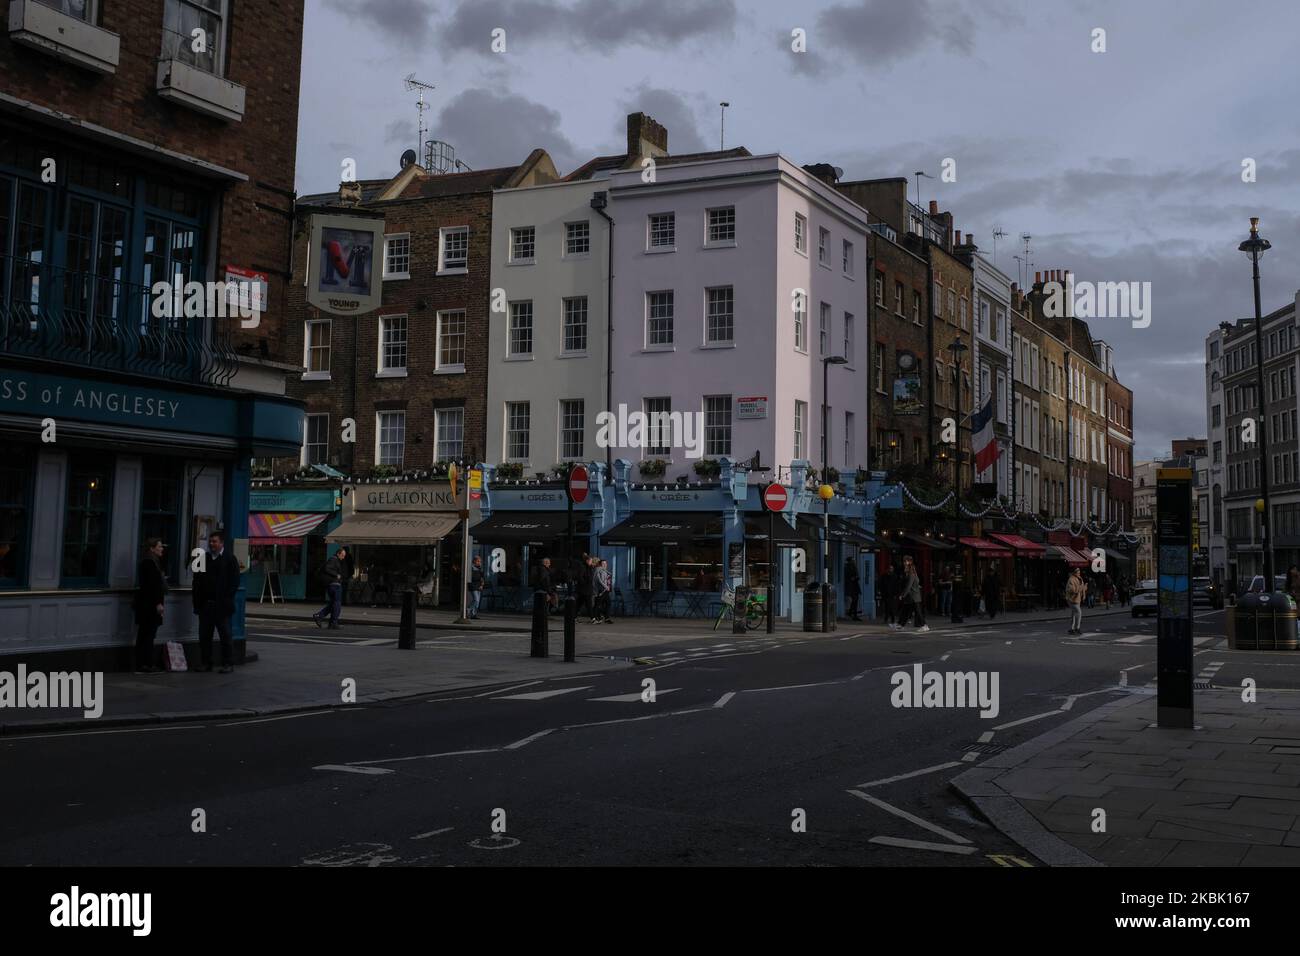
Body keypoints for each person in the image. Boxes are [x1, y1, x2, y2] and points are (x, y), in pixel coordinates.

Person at [192, 530, 240, 673]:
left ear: (222, 543)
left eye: (215, 541)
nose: (212, 544)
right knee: (204, 636)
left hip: (221, 606)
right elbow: (196, 582)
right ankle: (206, 663)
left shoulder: (230, 559)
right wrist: (197, 603)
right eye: (210, 541)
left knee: (225, 636)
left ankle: (228, 663)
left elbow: (234, 582)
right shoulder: (203, 558)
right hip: (205, 605)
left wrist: (226, 599)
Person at [133, 537, 168, 674]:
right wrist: (158, 603)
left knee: (145, 634)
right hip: (149, 605)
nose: (162, 549)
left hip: (147, 604)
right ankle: (146, 664)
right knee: (148, 634)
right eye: (159, 546)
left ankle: (142, 663)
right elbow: (152, 586)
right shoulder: (150, 563)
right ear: (152, 548)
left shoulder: (149, 561)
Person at [313, 546, 348, 629]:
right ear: (338, 554)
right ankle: (333, 622)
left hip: (332, 584)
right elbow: (327, 568)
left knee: (333, 603)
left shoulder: (335, 560)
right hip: (334, 585)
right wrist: (336, 575)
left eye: (344, 556)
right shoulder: (333, 559)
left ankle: (320, 616)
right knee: (337, 603)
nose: (343, 557)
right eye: (342, 555)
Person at [903, 556, 928, 632]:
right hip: (914, 595)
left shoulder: (911, 572)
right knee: (913, 611)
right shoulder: (912, 572)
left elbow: (909, 585)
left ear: (909, 562)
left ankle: (924, 625)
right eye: (904, 561)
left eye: (905, 561)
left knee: (918, 611)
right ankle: (901, 624)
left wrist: (903, 595)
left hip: (914, 595)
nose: (904, 563)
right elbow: (916, 582)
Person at [1065, 567, 1086, 635]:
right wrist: (1080, 589)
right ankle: (1077, 628)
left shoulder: (1080, 578)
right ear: (1074, 573)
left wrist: (1084, 594)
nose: (1079, 573)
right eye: (1078, 572)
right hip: (1072, 599)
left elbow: (1082, 587)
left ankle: (1072, 629)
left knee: (1074, 613)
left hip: (1077, 598)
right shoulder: (1071, 579)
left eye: (1079, 572)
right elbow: (1072, 590)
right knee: (1079, 612)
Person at [592, 558, 612, 623]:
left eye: (605, 563)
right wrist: (605, 587)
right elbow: (599, 580)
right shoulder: (599, 570)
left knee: (607, 603)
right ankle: (595, 617)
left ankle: (606, 618)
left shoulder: (604, 570)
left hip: (605, 590)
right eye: (603, 563)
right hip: (601, 590)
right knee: (598, 604)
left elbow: (606, 579)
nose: (605, 565)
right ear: (600, 564)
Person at [844, 556, 862, 621]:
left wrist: (855, 577)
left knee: (855, 600)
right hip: (851, 586)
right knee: (854, 599)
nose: (854, 561)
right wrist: (854, 578)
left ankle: (852, 613)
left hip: (854, 586)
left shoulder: (853, 567)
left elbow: (857, 576)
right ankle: (853, 614)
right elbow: (849, 577)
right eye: (852, 560)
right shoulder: (848, 567)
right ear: (850, 561)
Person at [467, 554, 484, 619]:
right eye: (478, 561)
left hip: (478, 586)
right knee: (476, 600)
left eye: (480, 561)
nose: (479, 563)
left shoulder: (479, 568)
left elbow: (482, 577)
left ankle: (473, 614)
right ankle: (468, 609)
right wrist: (479, 578)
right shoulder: (471, 568)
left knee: (477, 602)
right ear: (474, 561)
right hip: (473, 585)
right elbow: (473, 577)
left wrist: (482, 584)